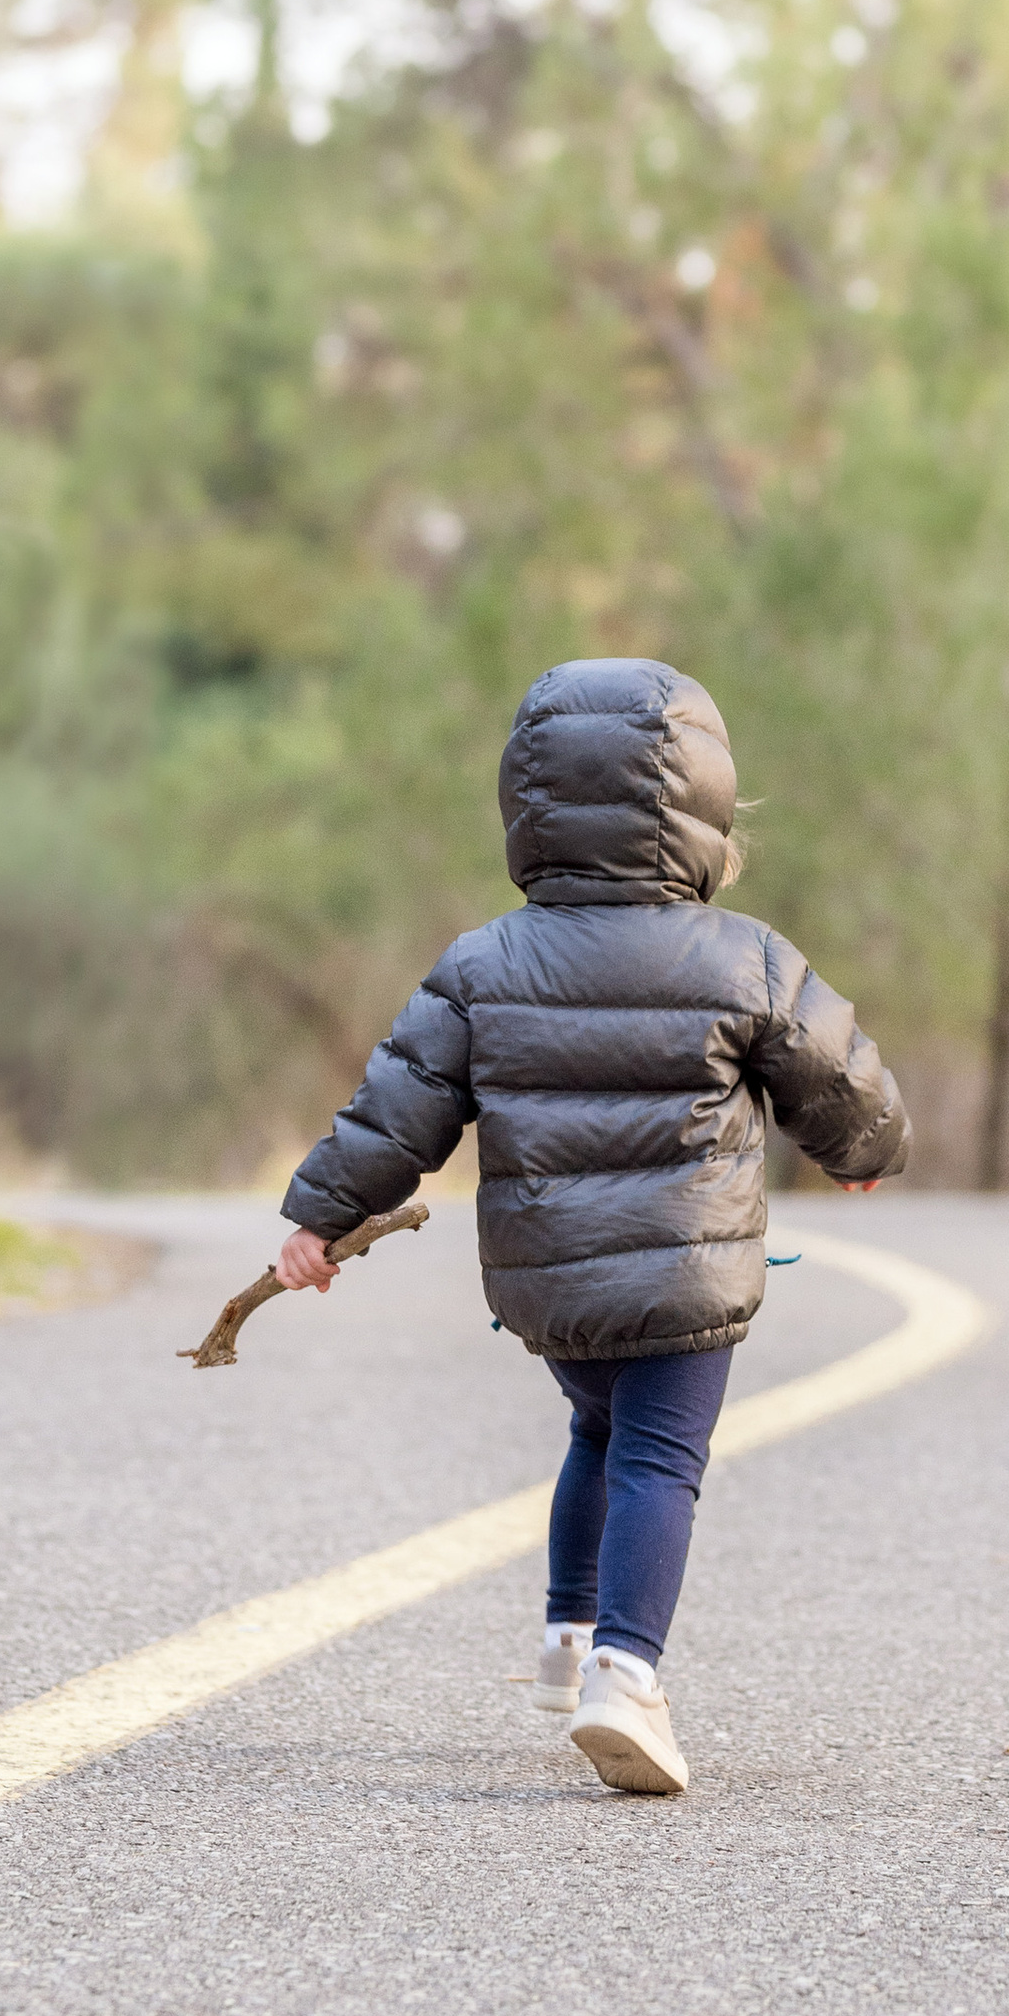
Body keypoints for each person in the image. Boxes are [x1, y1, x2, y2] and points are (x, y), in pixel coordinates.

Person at [273, 657, 909, 1796]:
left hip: (551, 1282)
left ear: (529, 809)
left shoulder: (482, 965)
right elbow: (840, 1077)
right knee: (660, 1455)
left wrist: (320, 1219)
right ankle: (625, 1675)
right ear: (705, 811)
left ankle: (569, 1634)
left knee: (596, 1433)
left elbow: (396, 1107)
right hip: (688, 1279)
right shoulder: (746, 957)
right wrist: (863, 1156)